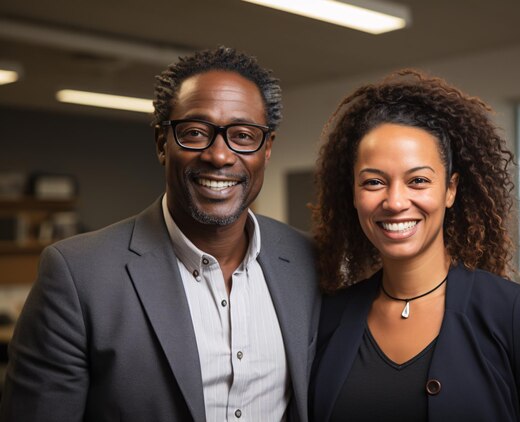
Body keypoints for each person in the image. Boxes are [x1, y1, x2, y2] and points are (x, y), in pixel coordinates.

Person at [0, 46, 320, 422]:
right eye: (196, 133)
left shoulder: (308, 260)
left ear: (266, 150)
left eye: (243, 135)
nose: (219, 155)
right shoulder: (77, 275)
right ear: (161, 144)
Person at [309, 69, 520, 421]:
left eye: (418, 180)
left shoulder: (519, 317)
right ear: (352, 193)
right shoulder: (331, 318)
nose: (395, 201)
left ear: (450, 190)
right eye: (374, 182)